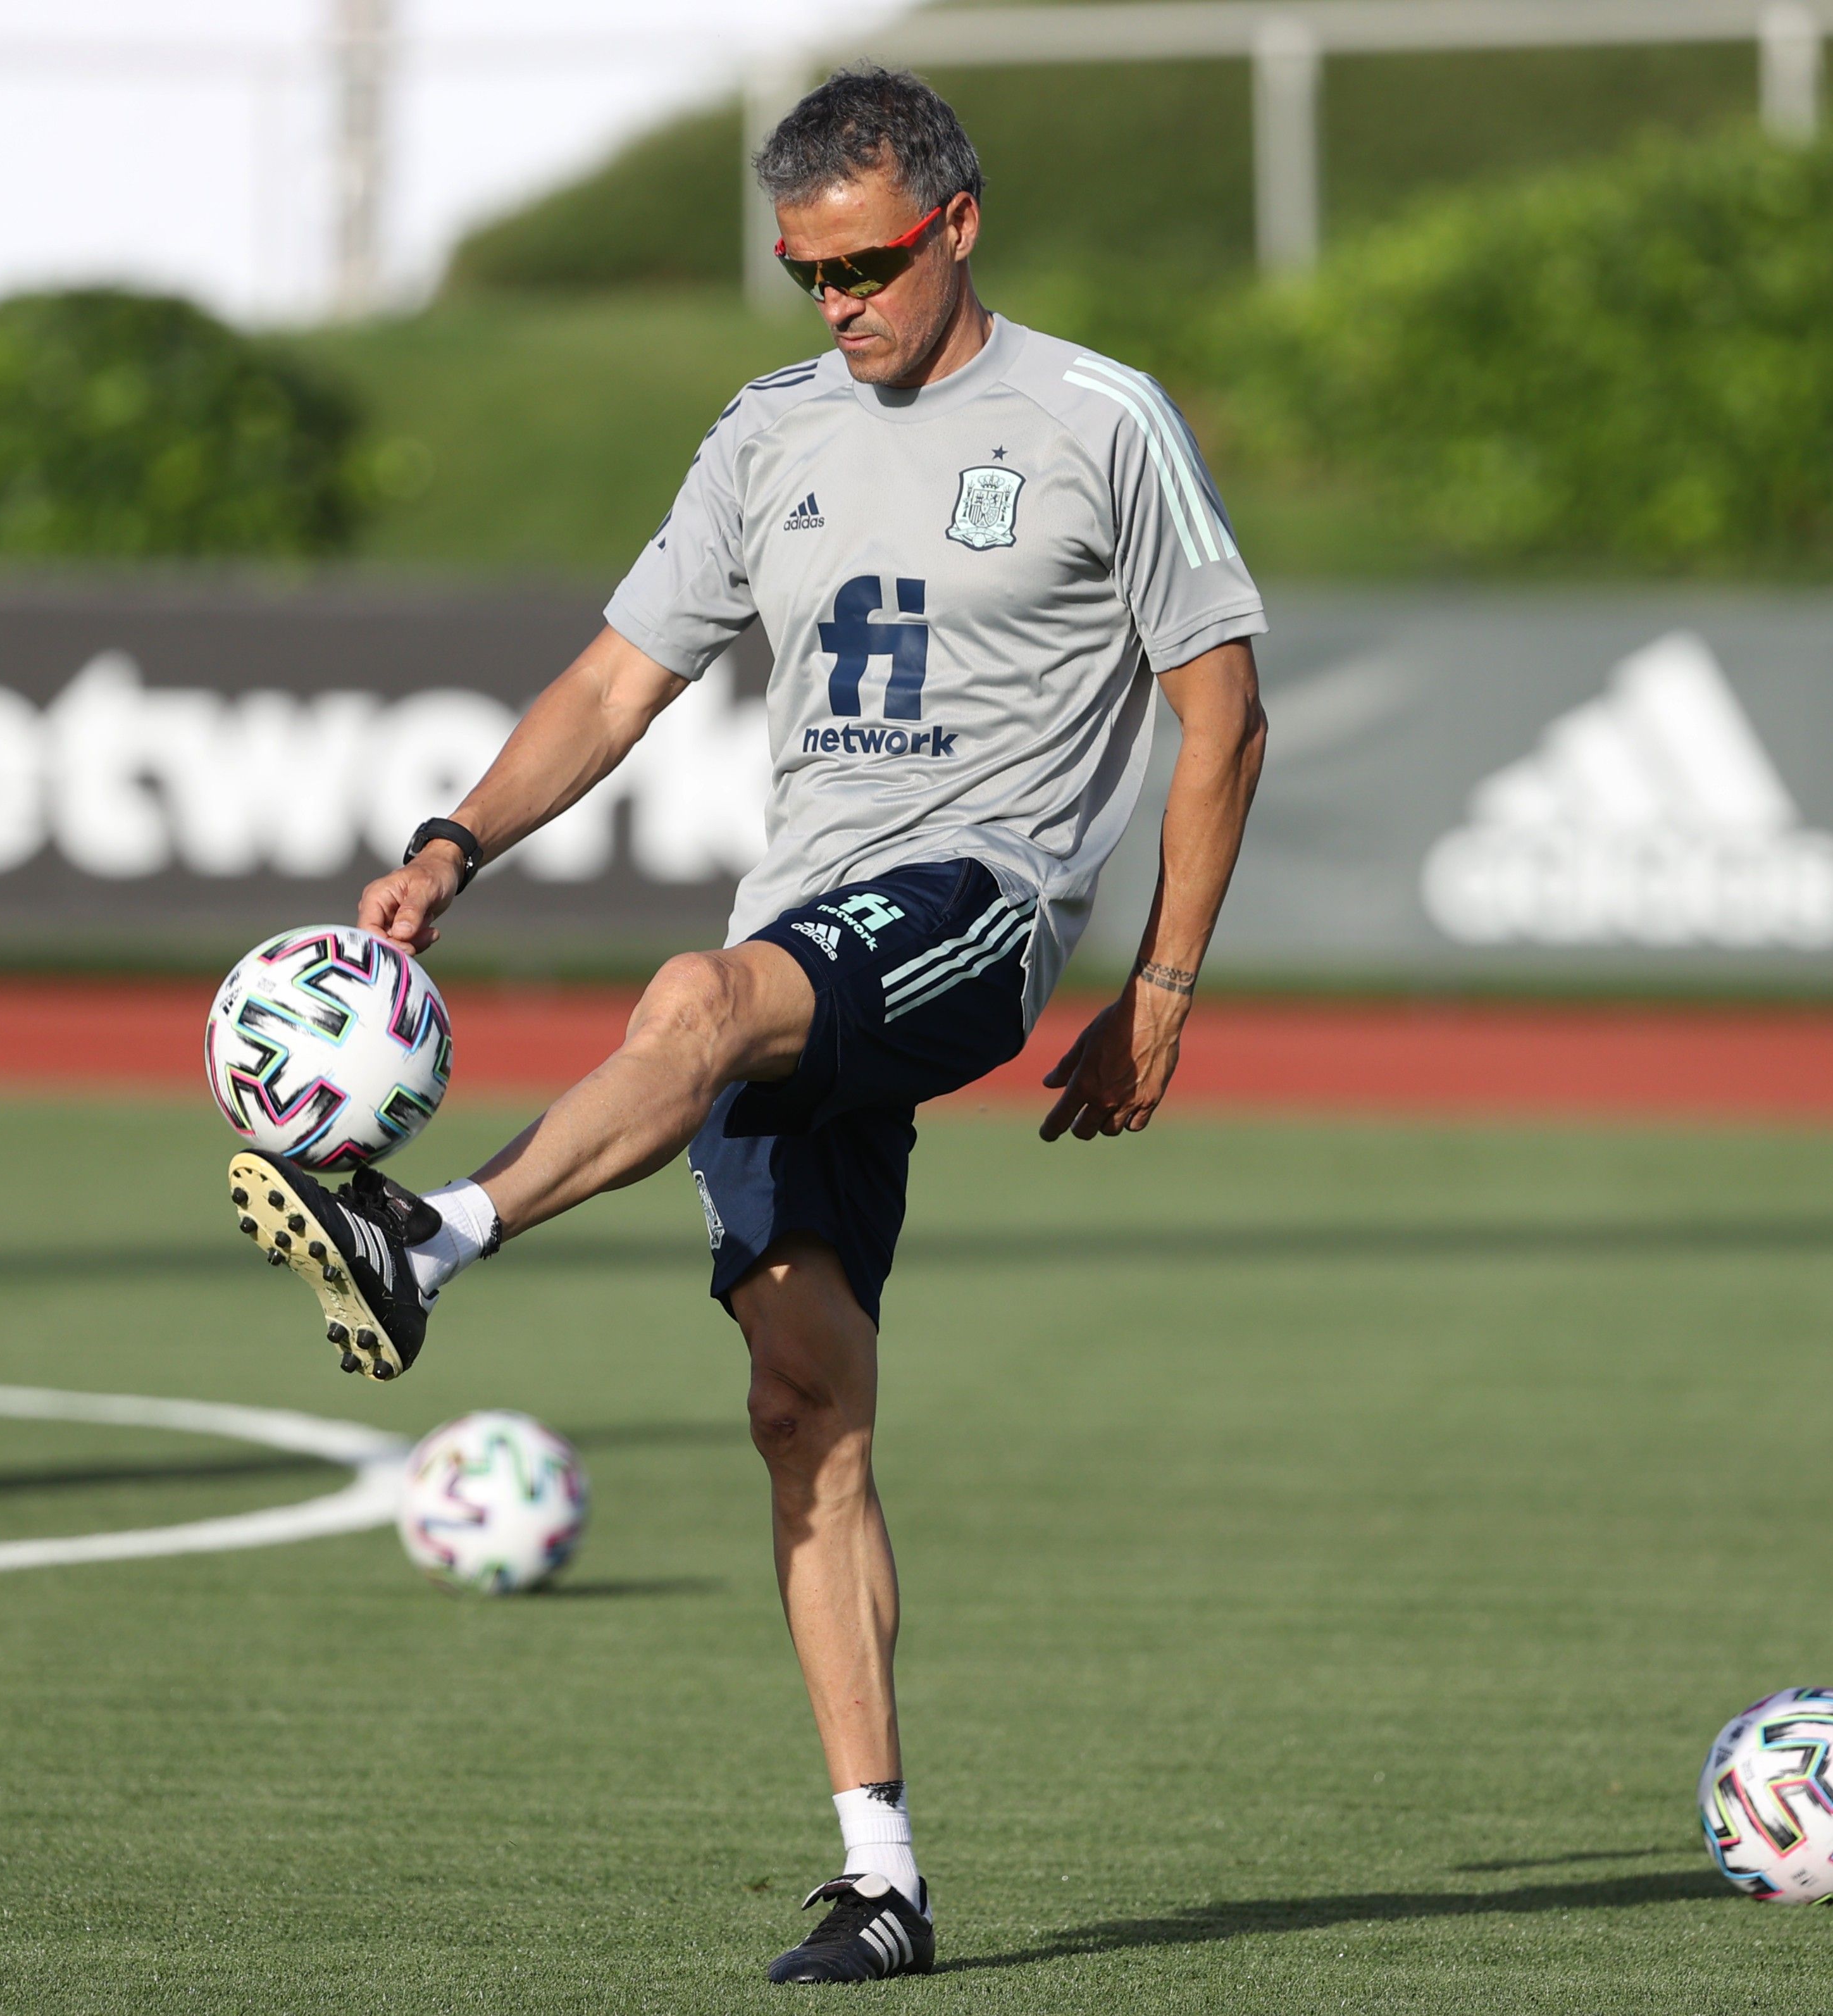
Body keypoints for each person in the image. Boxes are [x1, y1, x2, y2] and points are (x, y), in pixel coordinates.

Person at [225, 65, 1267, 1984]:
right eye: (805, 273)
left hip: (978, 917)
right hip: (801, 941)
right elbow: (621, 680)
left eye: (868, 261)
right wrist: (456, 841)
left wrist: (1164, 985)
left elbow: (1224, 707)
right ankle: (883, 1877)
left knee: (691, 1001)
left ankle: (429, 1236)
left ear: (958, 223)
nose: (839, 301)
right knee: (805, 1414)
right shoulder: (766, 432)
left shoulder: (1100, 419)